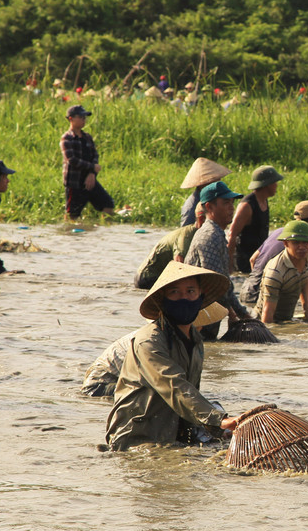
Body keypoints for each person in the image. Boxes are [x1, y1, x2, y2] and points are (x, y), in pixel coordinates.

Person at [104, 261, 243, 451]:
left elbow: (190, 393)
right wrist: (219, 420)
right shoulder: (149, 341)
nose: (183, 298)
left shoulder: (195, 339)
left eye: (190, 291)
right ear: (163, 300)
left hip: (172, 433)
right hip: (136, 439)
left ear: (200, 297)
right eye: (174, 292)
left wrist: (216, 429)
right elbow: (174, 385)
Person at [184, 180, 253, 331]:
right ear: (209, 206)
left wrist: (236, 313)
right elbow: (217, 283)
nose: (231, 208)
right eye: (226, 202)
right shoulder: (210, 236)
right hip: (196, 316)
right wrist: (239, 314)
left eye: (232, 203)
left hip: (206, 314)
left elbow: (223, 283)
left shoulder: (217, 233)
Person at [61, 104, 115, 221]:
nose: (84, 120)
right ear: (71, 119)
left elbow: (94, 155)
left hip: (90, 180)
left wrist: (92, 174)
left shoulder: (87, 137)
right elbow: (72, 160)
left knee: (108, 204)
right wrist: (92, 167)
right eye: (81, 117)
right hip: (74, 182)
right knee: (72, 215)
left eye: (85, 117)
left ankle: (103, 232)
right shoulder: (67, 138)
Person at [256, 220, 308, 323]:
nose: (301, 247)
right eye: (296, 243)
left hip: (287, 318)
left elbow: (304, 279)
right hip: (267, 320)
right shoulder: (275, 272)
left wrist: (307, 312)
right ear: (285, 243)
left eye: (305, 242)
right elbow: (267, 312)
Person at [228, 165, 283, 272]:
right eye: (274, 182)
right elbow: (232, 234)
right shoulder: (247, 206)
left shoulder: (264, 201)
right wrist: (229, 265)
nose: (276, 186)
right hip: (243, 262)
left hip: (257, 258)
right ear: (266, 185)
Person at [136, 207, 203, 290]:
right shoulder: (187, 235)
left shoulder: (199, 235)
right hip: (149, 277)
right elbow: (179, 263)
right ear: (201, 219)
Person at [178, 157, 232, 227]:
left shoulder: (211, 199)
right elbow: (187, 233)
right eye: (215, 181)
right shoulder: (191, 208)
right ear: (204, 183)